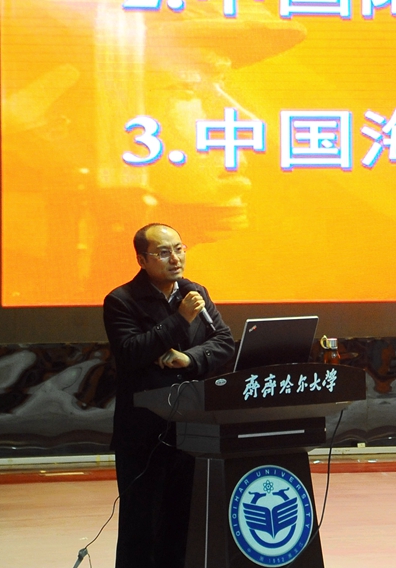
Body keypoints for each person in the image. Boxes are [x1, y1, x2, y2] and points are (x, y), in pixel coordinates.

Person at [103, 223, 235, 568]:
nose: (175, 258)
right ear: (142, 260)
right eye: (164, 253)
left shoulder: (194, 291)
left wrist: (189, 359)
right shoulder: (121, 300)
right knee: (141, 525)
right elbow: (130, 352)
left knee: (183, 522)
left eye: (179, 249)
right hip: (143, 433)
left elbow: (223, 342)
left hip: (192, 428)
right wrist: (179, 320)